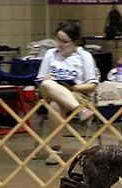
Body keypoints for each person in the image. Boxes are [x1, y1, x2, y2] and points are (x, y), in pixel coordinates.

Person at [36, 19, 99, 165]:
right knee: (47, 84)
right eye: (58, 40)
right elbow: (41, 80)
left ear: (75, 41)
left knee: (55, 105)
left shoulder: (85, 56)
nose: (60, 45)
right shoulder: (50, 54)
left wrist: (71, 88)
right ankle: (80, 111)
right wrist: (50, 80)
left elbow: (92, 85)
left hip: (76, 93)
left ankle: (55, 150)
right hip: (49, 90)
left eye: (65, 42)